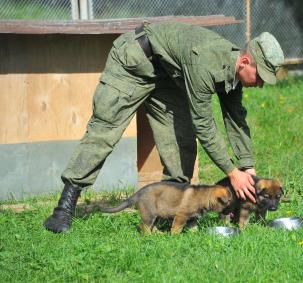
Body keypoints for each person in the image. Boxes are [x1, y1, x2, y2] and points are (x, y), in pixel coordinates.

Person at [44, 21, 285, 233]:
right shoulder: (205, 63)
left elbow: (236, 120)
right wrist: (233, 173)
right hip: (135, 61)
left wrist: (248, 168)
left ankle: (168, 214)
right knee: (105, 131)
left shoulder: (233, 75)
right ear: (244, 62)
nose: (262, 85)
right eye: (261, 77)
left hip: (168, 74)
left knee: (181, 141)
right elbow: (204, 123)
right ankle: (64, 207)